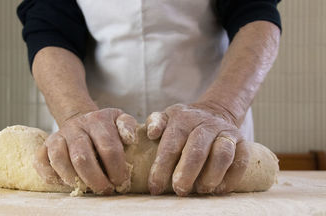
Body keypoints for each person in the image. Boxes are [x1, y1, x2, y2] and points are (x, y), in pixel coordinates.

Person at [17, 0, 282, 196]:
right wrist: (74, 113)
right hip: (89, 142)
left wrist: (220, 108)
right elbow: (49, 26)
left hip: (208, 138)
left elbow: (256, 13)